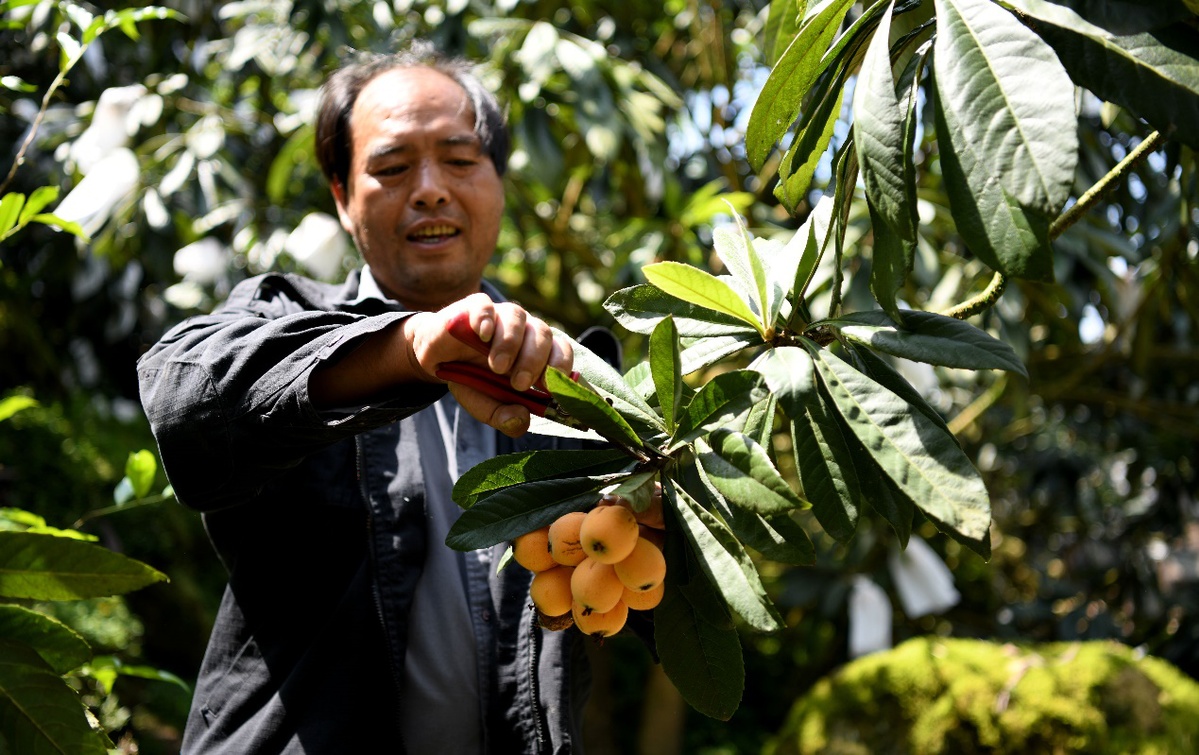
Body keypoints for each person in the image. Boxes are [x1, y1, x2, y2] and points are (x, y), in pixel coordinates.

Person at [138, 41, 606, 754]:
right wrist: (411, 349)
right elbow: (184, 398)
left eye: (459, 158)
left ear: (498, 183)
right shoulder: (282, 320)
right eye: (390, 166)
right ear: (341, 196)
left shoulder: (561, 377)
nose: (429, 188)